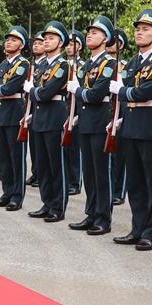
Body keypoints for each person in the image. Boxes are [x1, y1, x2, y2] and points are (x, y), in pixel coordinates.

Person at [111, 9, 152, 251]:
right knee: (135, 183)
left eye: (145, 29)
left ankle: (150, 233)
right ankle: (137, 229)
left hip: (151, 123)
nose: (139, 32)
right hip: (132, 123)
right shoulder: (134, 62)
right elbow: (128, 89)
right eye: (137, 28)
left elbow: (144, 91)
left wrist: (121, 91)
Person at [67, 16, 116, 235]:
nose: (89, 35)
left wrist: (77, 90)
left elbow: (96, 95)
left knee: (101, 172)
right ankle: (91, 213)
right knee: (89, 171)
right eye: (89, 32)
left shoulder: (109, 64)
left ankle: (103, 218)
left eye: (95, 32)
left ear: (105, 39)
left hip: (99, 121)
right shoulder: (87, 64)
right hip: (85, 122)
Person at [24, 21, 70, 223]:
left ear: (60, 43)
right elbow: (38, 92)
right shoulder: (42, 65)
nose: (46, 41)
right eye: (45, 38)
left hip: (54, 117)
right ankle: (47, 202)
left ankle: (58, 207)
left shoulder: (63, 66)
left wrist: (32, 91)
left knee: (55, 165)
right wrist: (35, 93)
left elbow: (45, 92)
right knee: (42, 164)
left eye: (51, 38)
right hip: (40, 117)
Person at [0, 25, 30, 211]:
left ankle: (17, 196)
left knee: (16, 157)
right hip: (3, 113)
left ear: (21, 45)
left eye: (14, 39)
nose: (9, 42)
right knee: (3, 157)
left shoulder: (23, 64)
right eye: (7, 39)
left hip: (15, 112)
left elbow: (8, 89)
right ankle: (7, 192)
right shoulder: (4, 64)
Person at [106, 29, 129, 205]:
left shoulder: (125, 67)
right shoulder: (102, 64)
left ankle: (119, 191)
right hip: (105, 110)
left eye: (113, 42)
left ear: (120, 45)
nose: (109, 44)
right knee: (108, 154)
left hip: (121, 110)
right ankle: (109, 188)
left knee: (120, 155)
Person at [65, 30, 86, 195]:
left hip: (76, 110)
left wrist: (78, 113)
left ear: (79, 46)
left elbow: (82, 91)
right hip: (63, 109)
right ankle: (66, 178)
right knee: (64, 146)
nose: (69, 47)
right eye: (68, 44)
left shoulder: (83, 66)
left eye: (72, 44)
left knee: (74, 148)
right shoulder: (63, 65)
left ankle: (75, 182)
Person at [26, 32, 46, 188]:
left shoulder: (47, 65)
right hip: (32, 107)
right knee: (34, 144)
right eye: (35, 43)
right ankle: (35, 172)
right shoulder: (33, 65)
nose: (37, 46)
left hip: (44, 106)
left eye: (40, 43)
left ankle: (40, 174)